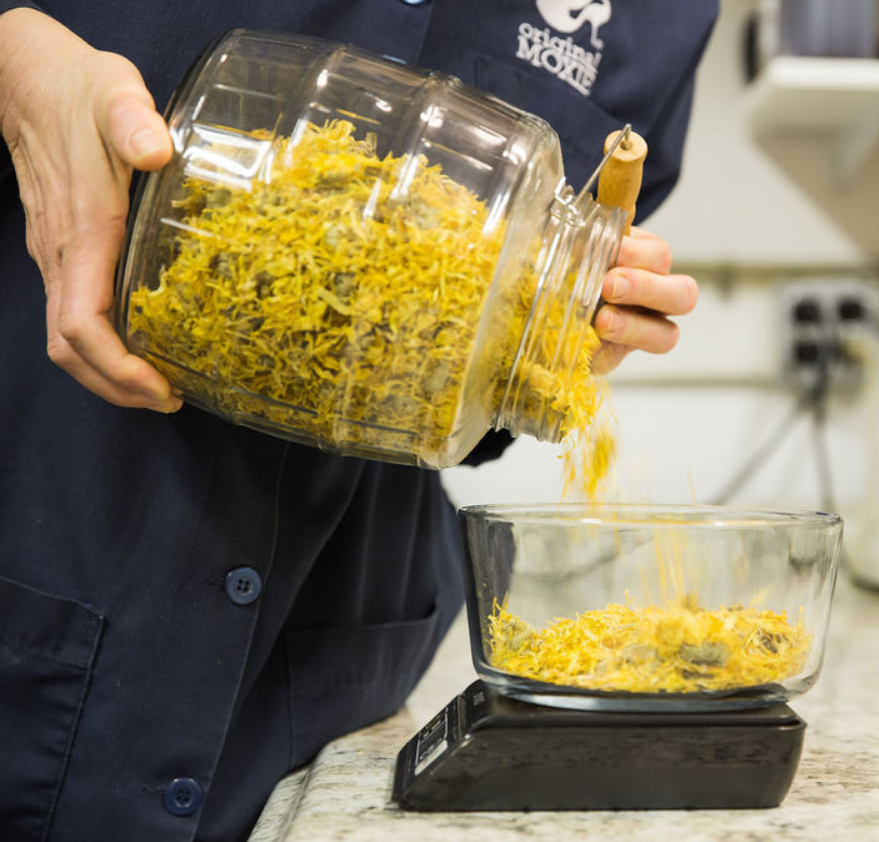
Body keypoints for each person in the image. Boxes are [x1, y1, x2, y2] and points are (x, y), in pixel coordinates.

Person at [0, 2, 717, 840]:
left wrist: (544, 347)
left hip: (322, 697)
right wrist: (14, 65)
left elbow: (473, 379)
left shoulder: (664, 17)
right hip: (45, 563)